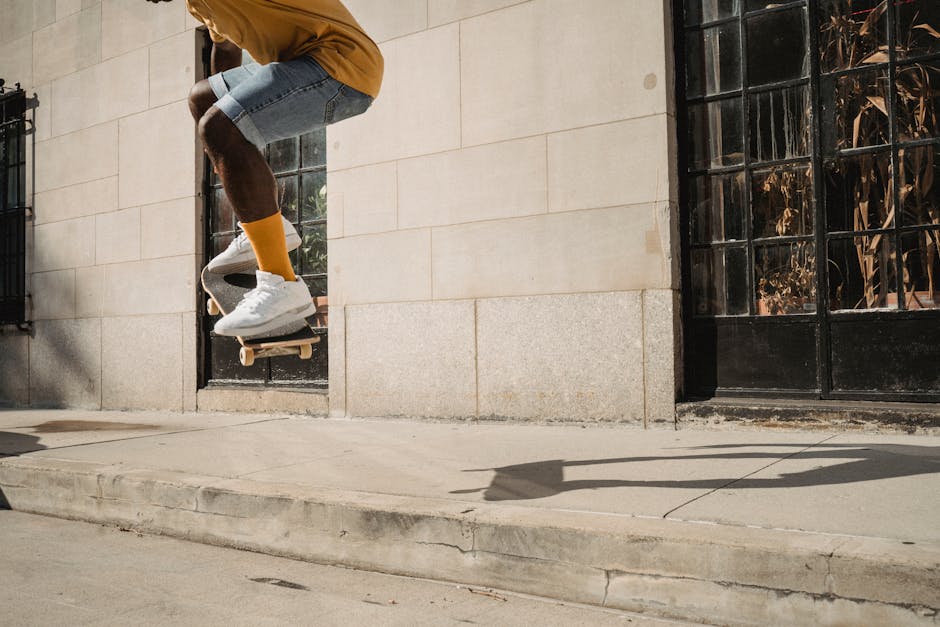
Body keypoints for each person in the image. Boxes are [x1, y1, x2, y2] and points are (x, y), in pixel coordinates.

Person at [146, 0, 383, 337]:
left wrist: (224, 129)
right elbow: (224, 45)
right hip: (300, 64)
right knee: (205, 101)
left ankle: (282, 283)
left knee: (219, 126)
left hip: (341, 65)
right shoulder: (198, 4)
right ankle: (269, 229)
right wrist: (226, 125)